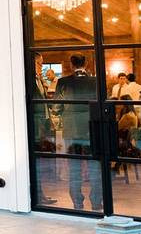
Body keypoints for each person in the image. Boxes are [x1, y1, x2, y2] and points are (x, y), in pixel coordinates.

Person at [55, 53, 102, 211]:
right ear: (86, 63)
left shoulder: (63, 82)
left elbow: (56, 107)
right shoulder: (96, 81)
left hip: (72, 129)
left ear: (71, 65)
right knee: (95, 167)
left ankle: (77, 202)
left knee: (74, 168)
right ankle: (96, 201)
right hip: (91, 128)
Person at [32, 53, 57, 205]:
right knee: (36, 161)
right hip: (35, 124)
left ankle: (40, 194)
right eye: (39, 64)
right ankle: (37, 194)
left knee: (40, 161)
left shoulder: (39, 79)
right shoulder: (29, 79)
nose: (41, 67)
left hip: (43, 123)